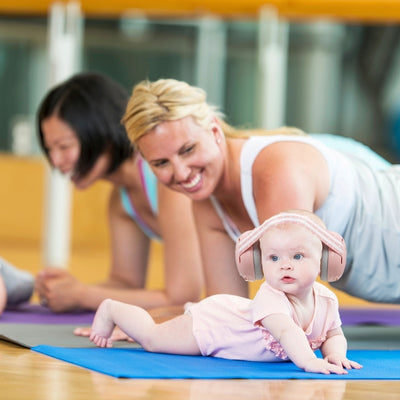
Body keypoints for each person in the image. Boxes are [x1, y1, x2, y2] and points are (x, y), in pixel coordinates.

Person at [122, 78, 399, 304]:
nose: (181, 173)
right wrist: (148, 326)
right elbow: (228, 310)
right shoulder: (206, 203)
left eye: (188, 149)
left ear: (215, 131)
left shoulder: (275, 170)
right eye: (161, 163)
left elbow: (294, 311)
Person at [89, 210, 362, 375]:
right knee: (152, 339)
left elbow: (333, 334)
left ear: (324, 261)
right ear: (259, 262)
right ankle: (112, 308)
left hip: (229, 313)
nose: (285, 265)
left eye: (298, 256)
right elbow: (287, 332)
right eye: (273, 258)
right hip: (214, 326)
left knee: (162, 334)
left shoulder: (327, 300)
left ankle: (188, 308)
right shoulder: (270, 296)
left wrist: (336, 354)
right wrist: (308, 363)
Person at [35, 72, 203, 315]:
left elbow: (182, 298)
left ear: (100, 132)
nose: (55, 160)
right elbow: (125, 283)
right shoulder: (122, 200)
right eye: (50, 149)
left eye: (64, 146)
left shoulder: (168, 179)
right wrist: (67, 290)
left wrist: (82, 295)